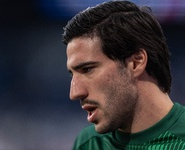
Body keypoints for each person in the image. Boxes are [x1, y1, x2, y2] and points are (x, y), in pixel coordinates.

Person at [62, 0, 185, 149]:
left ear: (136, 63)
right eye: (72, 74)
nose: (74, 93)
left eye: (87, 69)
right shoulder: (89, 142)